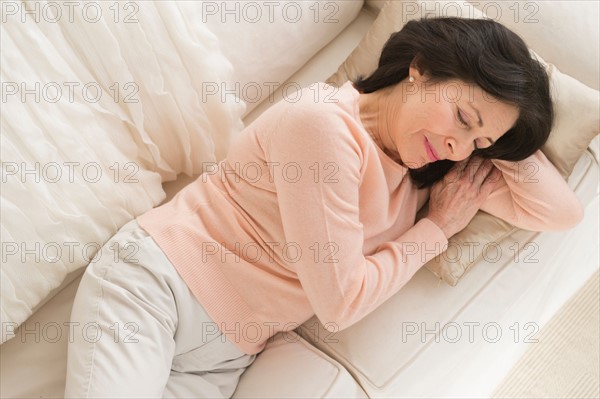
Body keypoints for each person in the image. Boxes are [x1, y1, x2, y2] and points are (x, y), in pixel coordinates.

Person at [64, 17, 583, 398]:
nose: (460, 149)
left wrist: (502, 135)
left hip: (223, 359)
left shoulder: (432, 170)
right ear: (419, 70)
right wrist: (436, 231)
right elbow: (340, 304)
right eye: (463, 117)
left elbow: (563, 214)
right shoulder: (322, 125)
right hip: (158, 291)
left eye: (480, 145)